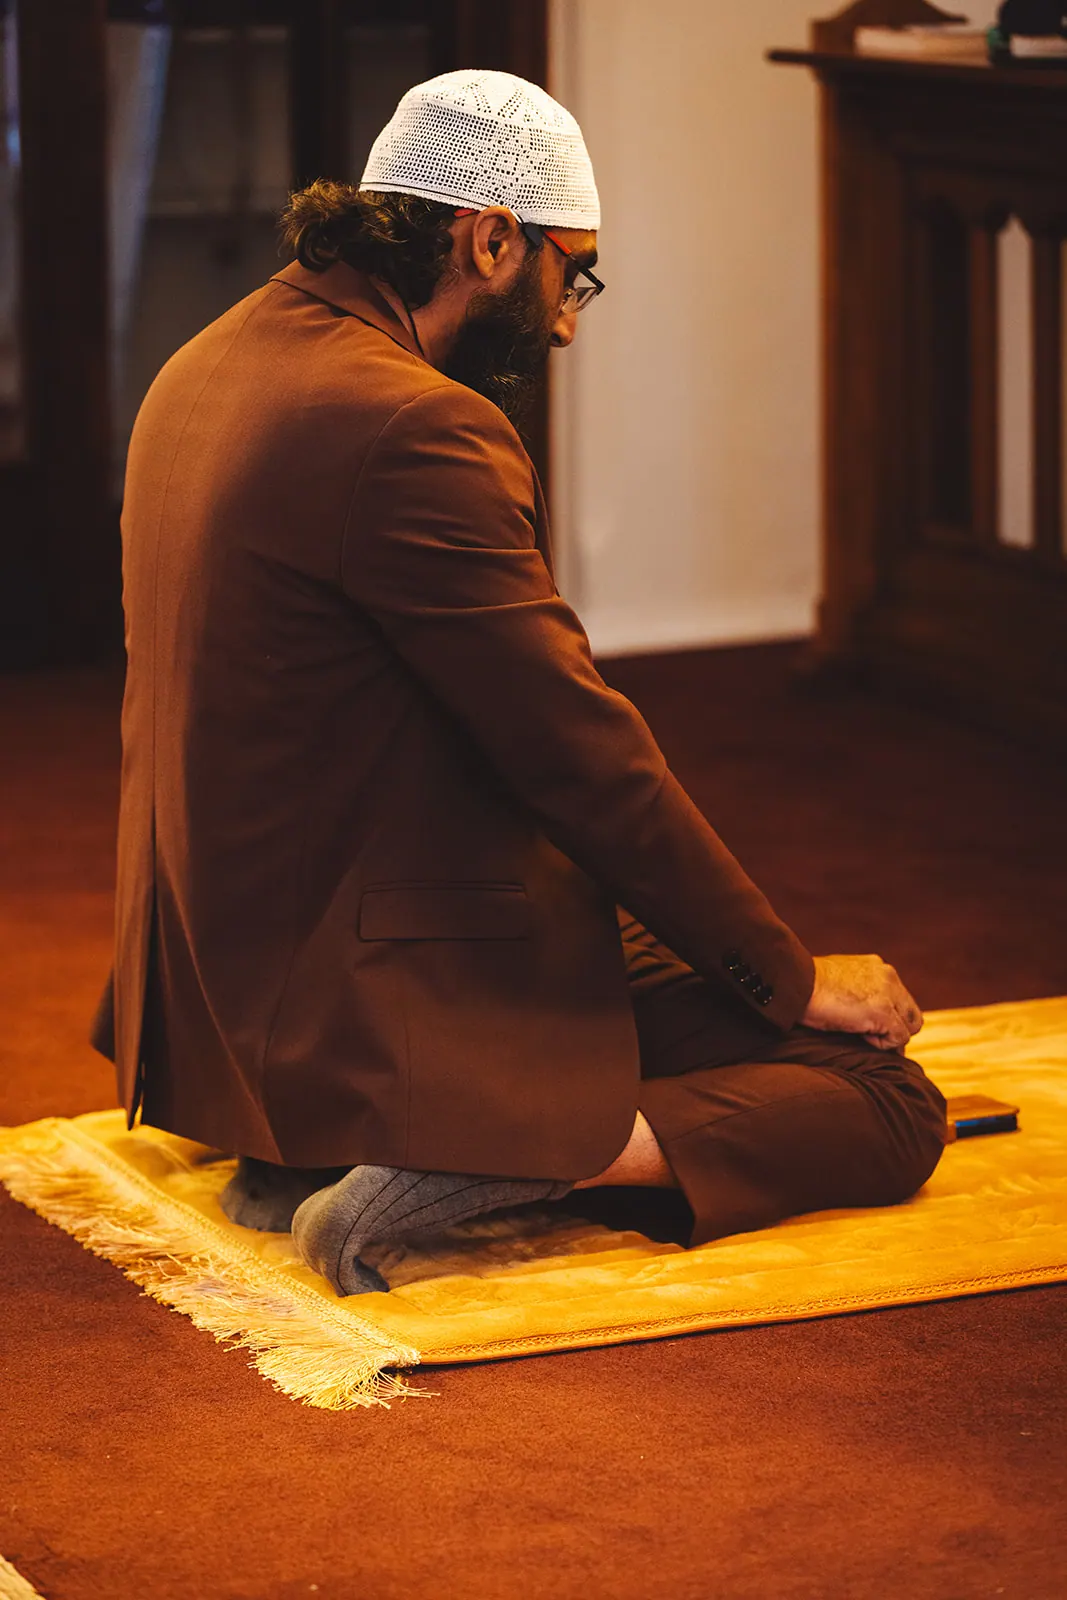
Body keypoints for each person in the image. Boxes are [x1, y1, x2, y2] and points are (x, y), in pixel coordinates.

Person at [92, 69, 947, 1296]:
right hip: (365, 985)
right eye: (571, 272)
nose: (567, 318)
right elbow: (580, 756)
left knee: (666, 971)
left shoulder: (201, 364)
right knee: (880, 1096)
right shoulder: (411, 425)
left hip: (221, 996)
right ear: (490, 238)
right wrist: (792, 973)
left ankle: (309, 1147)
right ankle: (473, 1164)